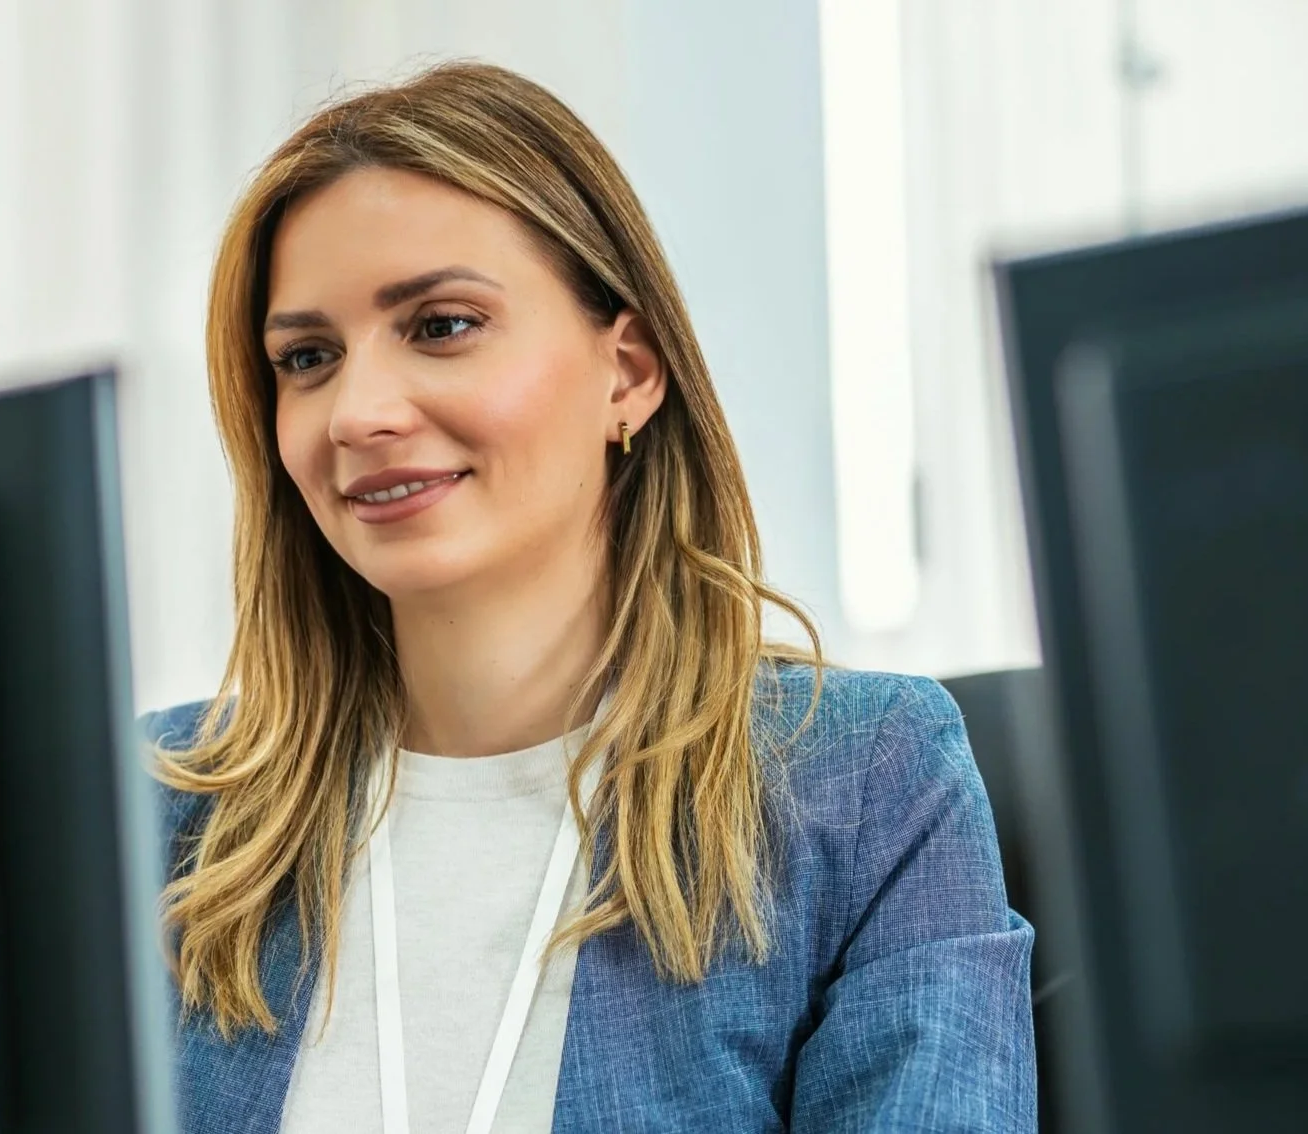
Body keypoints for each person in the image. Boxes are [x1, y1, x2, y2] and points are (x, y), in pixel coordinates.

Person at [143, 61, 1035, 1134]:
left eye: (441, 325)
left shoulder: (863, 785)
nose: (357, 412)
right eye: (308, 357)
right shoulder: (155, 818)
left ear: (629, 375)